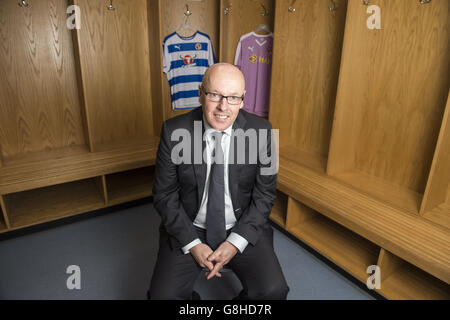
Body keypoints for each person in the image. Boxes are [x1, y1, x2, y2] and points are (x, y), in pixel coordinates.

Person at [148, 63, 289, 300]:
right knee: (162, 297)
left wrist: (235, 242)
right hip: (190, 226)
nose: (223, 106)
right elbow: (164, 195)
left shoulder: (264, 132)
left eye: (233, 97)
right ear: (200, 93)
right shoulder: (173, 131)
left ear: (243, 100)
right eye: (215, 95)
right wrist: (193, 244)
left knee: (273, 291)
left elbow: (265, 196)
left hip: (242, 225)